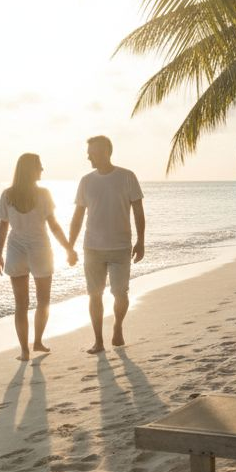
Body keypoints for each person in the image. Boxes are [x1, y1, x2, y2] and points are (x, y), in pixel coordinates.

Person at [0, 153, 78, 361]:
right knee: (43, 301)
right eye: (40, 166)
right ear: (30, 170)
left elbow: (3, 228)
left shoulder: (7, 194)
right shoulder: (44, 194)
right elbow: (54, 225)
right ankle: (38, 341)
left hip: (16, 250)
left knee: (21, 304)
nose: (42, 170)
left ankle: (24, 350)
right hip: (40, 249)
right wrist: (68, 248)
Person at [67, 135, 145, 354]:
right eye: (88, 152)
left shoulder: (127, 177)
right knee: (94, 295)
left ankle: (118, 325)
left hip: (121, 247)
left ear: (105, 152)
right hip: (92, 248)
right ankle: (98, 341)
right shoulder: (86, 181)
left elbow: (138, 211)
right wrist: (70, 246)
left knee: (120, 293)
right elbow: (78, 216)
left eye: (92, 152)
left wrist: (141, 241)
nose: (88, 156)